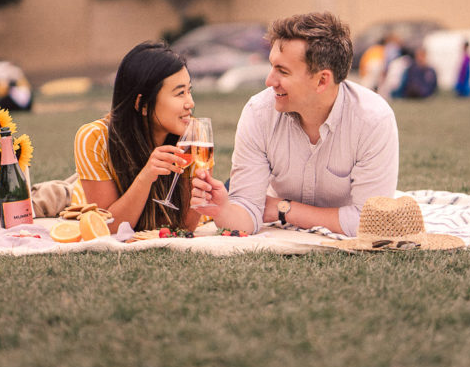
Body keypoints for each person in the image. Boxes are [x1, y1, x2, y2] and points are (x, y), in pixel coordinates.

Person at [191, 12, 399, 236]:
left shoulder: (373, 120)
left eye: (282, 71)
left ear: (322, 80)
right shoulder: (258, 113)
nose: (269, 81)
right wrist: (223, 210)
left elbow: (369, 223)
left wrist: (284, 208)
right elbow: (249, 211)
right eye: (272, 67)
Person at [73, 41, 200, 233]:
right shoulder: (95, 138)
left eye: (189, 91)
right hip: (82, 194)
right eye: (180, 93)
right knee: (55, 193)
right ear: (143, 104)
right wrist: (146, 177)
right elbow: (109, 229)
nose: (190, 103)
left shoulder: (193, 136)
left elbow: (185, 227)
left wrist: (202, 194)